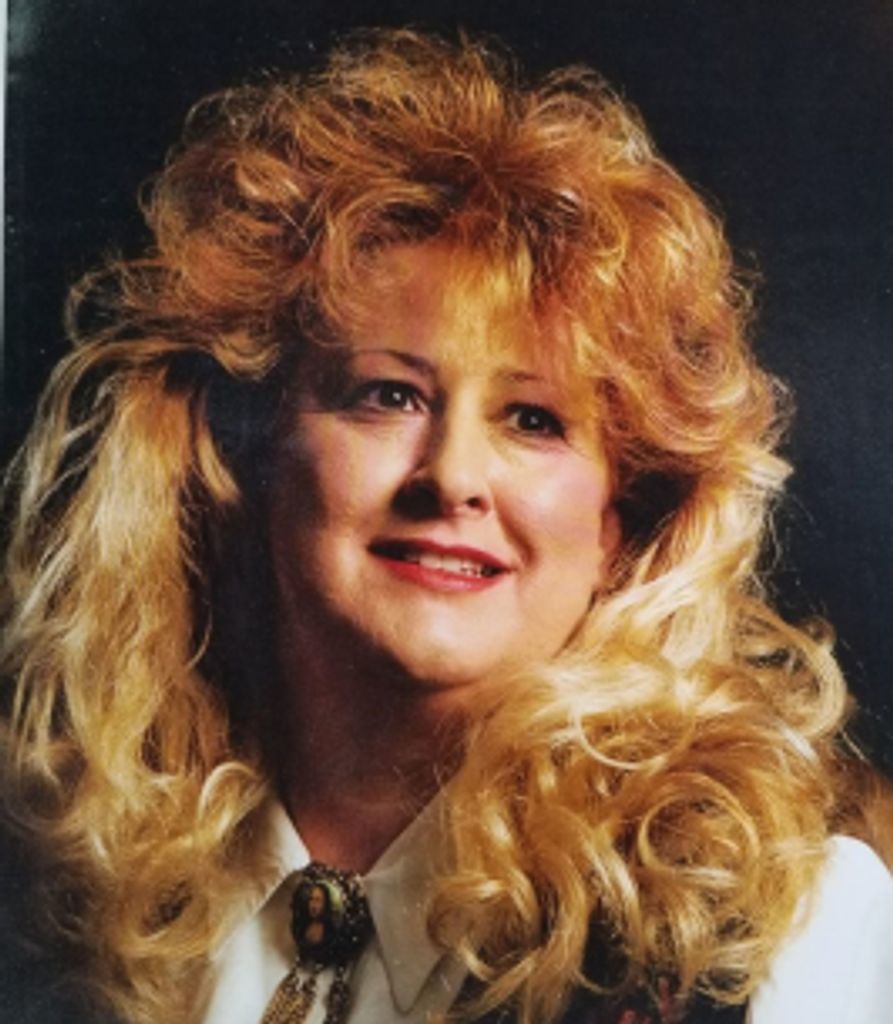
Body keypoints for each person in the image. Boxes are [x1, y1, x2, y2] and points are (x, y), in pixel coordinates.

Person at [1, 27, 891, 1024]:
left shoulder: (792, 933)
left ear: (619, 523)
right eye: (387, 395)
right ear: (249, 453)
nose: (453, 477)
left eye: (533, 420)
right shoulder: (48, 889)